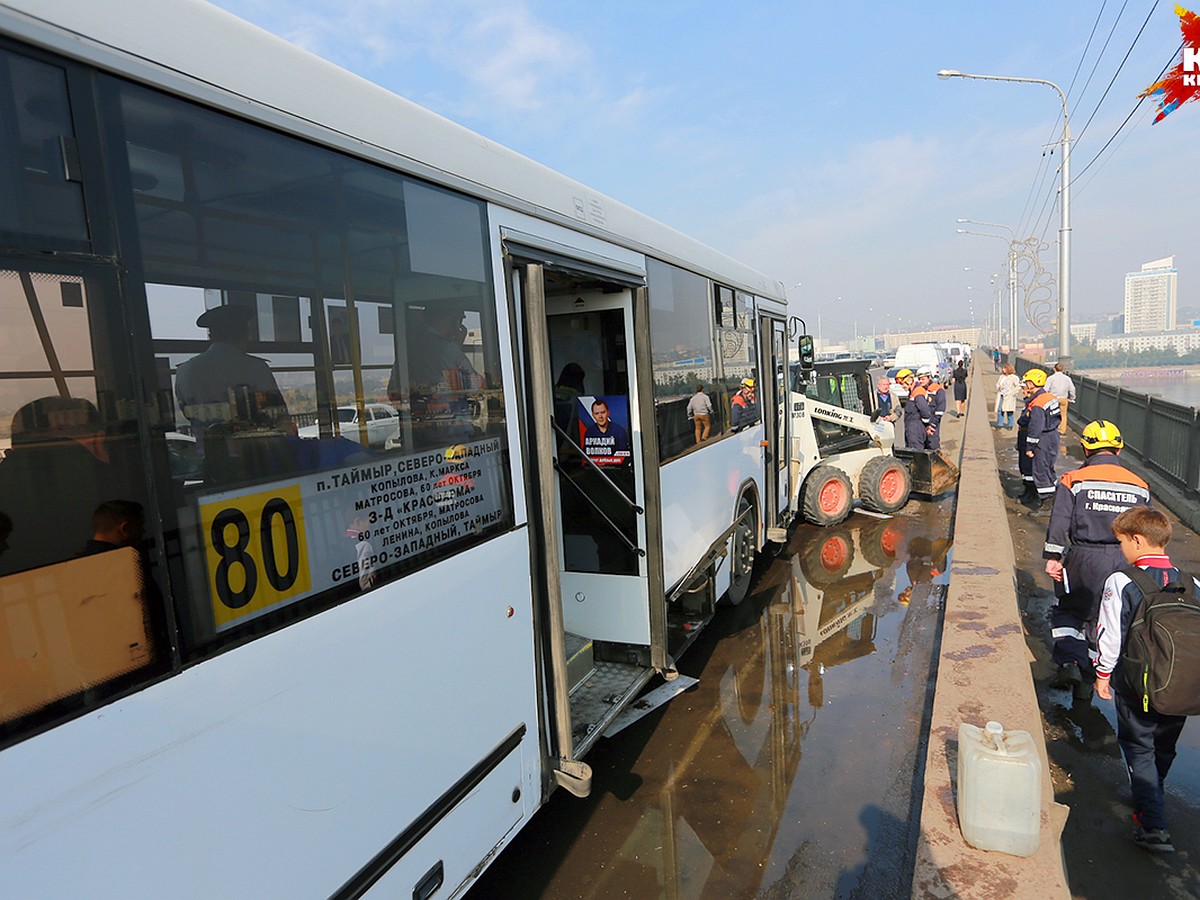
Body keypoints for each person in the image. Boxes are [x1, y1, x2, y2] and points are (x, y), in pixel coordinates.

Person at [1094, 507, 1199, 853]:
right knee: (1163, 746)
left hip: (1136, 686)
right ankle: (1150, 792)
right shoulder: (1193, 582)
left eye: (1122, 542)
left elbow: (1110, 635)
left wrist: (1102, 675)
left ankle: (1153, 824)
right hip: (1180, 683)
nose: (1120, 549)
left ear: (1137, 540)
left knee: (1139, 749)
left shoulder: (1122, 581)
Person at [1043, 421, 1152, 699]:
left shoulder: (1073, 480)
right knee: (1110, 617)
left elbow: (1060, 521)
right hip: (1125, 559)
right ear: (1118, 447)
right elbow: (1147, 529)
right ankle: (1093, 677)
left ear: (1085, 447)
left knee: (1071, 610)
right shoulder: (1140, 486)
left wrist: (1053, 557)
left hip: (1082, 558)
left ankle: (1069, 662)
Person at [176, 304, 289, 446]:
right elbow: (278, 413)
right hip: (254, 453)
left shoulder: (185, 371)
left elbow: (188, 413)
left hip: (210, 454)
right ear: (244, 334)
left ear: (211, 335)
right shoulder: (257, 368)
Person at [1019, 368, 1061, 508]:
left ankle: (1047, 503)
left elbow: (1035, 427)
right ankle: (1034, 494)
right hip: (1050, 436)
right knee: (1041, 467)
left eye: (1025, 383)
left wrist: (1030, 447)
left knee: (1042, 469)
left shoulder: (1038, 404)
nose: (1024, 386)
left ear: (1032, 384)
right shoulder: (1048, 397)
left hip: (1044, 439)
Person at [79, 499, 146, 556]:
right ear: (125, 528)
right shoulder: (125, 563)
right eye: (139, 526)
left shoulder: (76, 564)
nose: (143, 531)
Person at [897, 368, 935, 450]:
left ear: (909, 380)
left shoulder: (918, 392)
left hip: (915, 429)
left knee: (916, 453)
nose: (902, 386)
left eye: (903, 384)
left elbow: (925, 411)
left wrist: (926, 425)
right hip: (914, 428)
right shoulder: (913, 392)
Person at [582, 398, 630, 463]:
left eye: (603, 412)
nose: (600, 416)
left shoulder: (619, 431)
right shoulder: (589, 432)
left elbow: (624, 456)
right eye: (597, 413)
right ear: (593, 415)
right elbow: (586, 456)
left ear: (608, 413)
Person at [1045, 363, 1076, 442]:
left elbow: (1046, 389)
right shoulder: (1067, 378)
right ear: (1062, 369)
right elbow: (1072, 389)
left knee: (1051, 413)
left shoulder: (1050, 378)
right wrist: (1072, 398)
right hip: (1063, 398)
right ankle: (1062, 431)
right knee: (1063, 415)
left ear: (1054, 369)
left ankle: (1052, 428)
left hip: (1053, 398)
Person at [917, 367, 942, 450]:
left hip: (932, 424)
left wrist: (932, 425)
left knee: (933, 446)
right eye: (919, 379)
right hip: (921, 425)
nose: (921, 381)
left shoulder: (937, 389)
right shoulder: (919, 390)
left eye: (923, 379)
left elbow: (940, 410)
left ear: (929, 377)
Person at [995, 364, 1020, 428]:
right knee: (1000, 410)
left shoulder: (1014, 378)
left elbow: (1017, 387)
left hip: (1009, 397)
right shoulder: (1001, 377)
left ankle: (1010, 424)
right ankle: (999, 424)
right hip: (1001, 395)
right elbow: (997, 384)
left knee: (1009, 411)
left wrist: (1011, 392)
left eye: (1004, 368)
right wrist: (999, 387)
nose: (1003, 369)